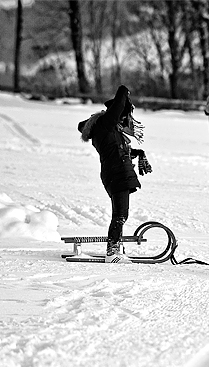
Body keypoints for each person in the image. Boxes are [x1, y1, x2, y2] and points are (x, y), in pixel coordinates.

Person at [77, 84, 152, 263]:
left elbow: (117, 150)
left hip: (118, 173)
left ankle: (116, 247)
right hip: (116, 174)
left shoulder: (111, 130)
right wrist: (124, 90)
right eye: (124, 115)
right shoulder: (105, 125)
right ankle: (112, 252)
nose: (127, 119)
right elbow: (118, 105)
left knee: (121, 214)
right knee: (120, 215)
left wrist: (138, 153)